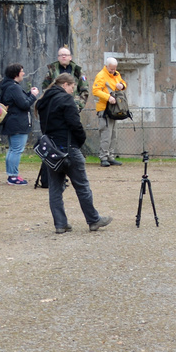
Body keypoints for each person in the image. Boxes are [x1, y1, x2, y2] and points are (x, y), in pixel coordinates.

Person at [35, 73, 111, 234]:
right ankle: (93, 220)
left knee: (55, 188)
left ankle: (60, 224)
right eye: (71, 87)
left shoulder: (43, 101)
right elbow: (75, 124)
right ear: (65, 85)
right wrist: (80, 141)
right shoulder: (65, 99)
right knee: (82, 186)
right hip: (68, 147)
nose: (72, 91)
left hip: (51, 150)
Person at [0, 63, 37, 185]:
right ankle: (13, 176)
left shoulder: (8, 86)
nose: (23, 73)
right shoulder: (14, 87)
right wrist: (33, 96)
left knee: (13, 149)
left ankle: (11, 174)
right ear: (16, 74)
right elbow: (24, 104)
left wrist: (29, 94)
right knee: (16, 150)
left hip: (11, 122)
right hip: (17, 123)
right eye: (22, 71)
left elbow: (20, 101)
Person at [90, 57, 127, 167]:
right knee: (106, 134)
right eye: (111, 69)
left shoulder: (116, 74)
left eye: (115, 68)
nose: (113, 71)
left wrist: (122, 86)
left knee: (113, 134)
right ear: (106, 66)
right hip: (104, 109)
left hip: (115, 108)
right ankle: (104, 157)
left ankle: (111, 156)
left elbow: (123, 82)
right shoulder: (101, 75)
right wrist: (108, 97)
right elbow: (95, 91)